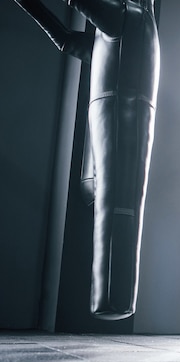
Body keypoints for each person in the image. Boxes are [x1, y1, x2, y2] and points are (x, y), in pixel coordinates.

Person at [12, 0, 160, 319]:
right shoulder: (116, 29)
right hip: (106, 115)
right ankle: (111, 296)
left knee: (118, 207)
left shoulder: (128, 18)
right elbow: (66, 39)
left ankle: (113, 297)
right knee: (111, 203)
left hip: (119, 115)